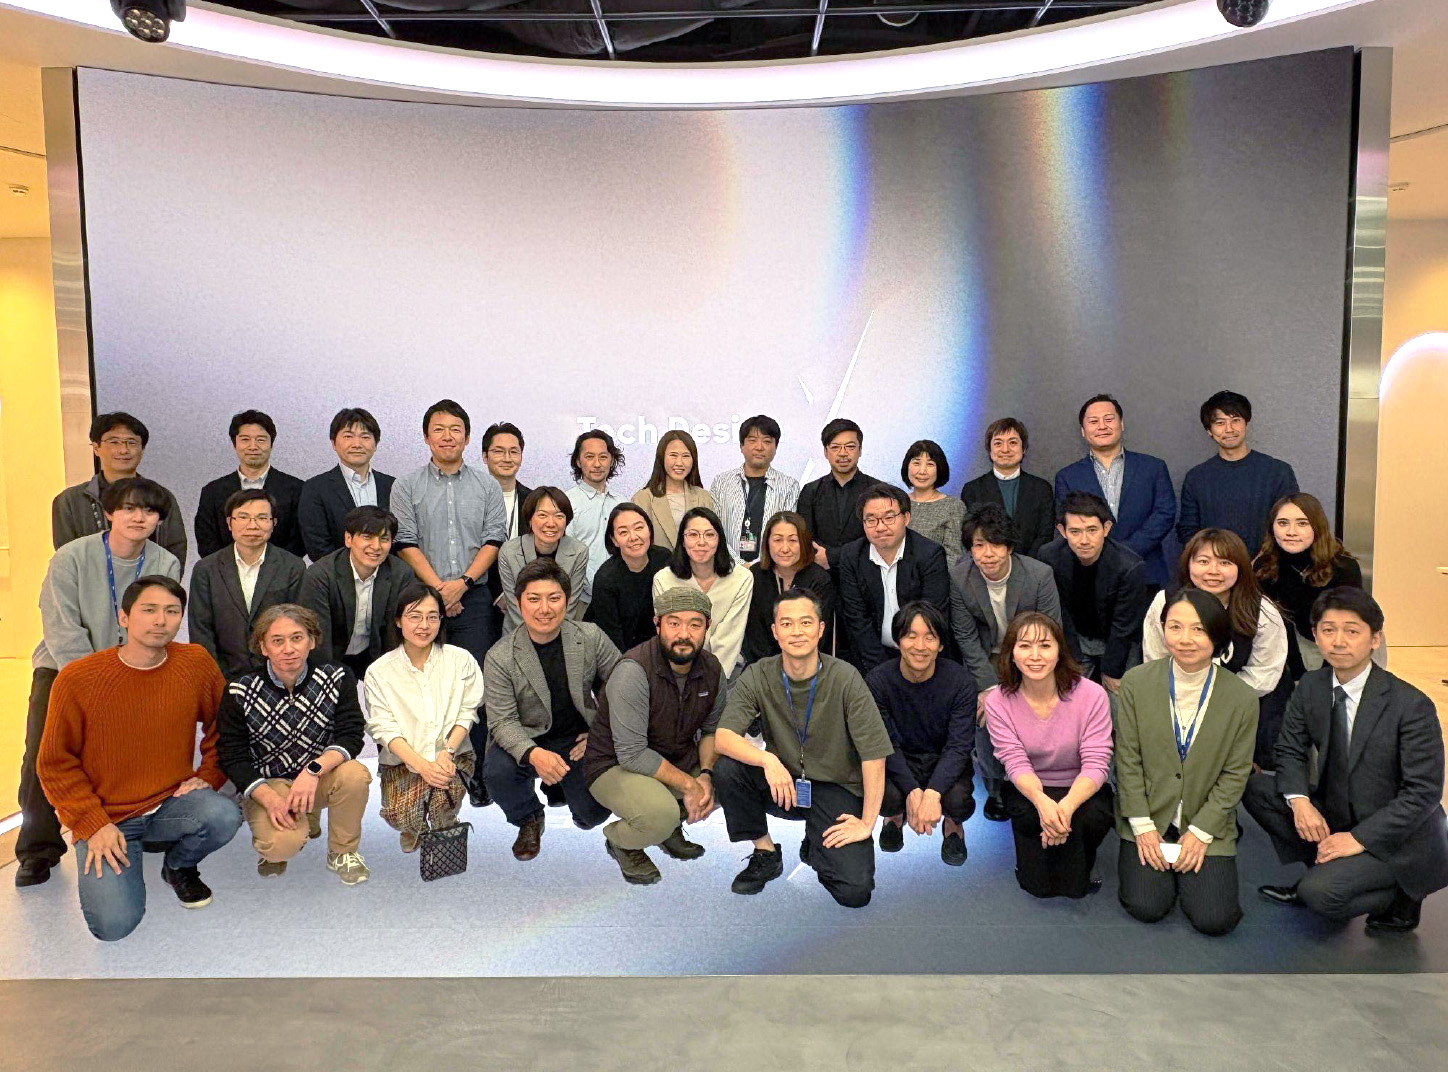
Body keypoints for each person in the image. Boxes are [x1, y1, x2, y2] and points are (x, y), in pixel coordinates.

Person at [36, 576, 241, 940]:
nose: (161, 620)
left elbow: (224, 727)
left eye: (172, 611)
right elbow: (54, 762)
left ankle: (177, 865)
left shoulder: (195, 662)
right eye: (149, 610)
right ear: (124, 617)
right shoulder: (77, 678)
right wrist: (92, 824)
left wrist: (208, 776)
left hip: (170, 803)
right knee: (113, 926)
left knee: (224, 814)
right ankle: (119, 852)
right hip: (108, 817)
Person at [1244, 588, 1448, 933]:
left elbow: (1423, 793)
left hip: (1400, 836)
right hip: (1340, 810)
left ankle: (1402, 895)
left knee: (1320, 896)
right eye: (1328, 630)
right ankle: (1327, 866)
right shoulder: (1311, 686)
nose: (1338, 641)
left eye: (1352, 631)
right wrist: (1300, 802)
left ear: (1374, 639)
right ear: (1316, 635)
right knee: (1258, 789)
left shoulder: (1411, 705)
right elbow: (1290, 750)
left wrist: (1358, 839)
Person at [15, 478, 183, 888]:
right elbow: (61, 625)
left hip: (133, 670)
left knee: (129, 753)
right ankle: (37, 849)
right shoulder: (72, 556)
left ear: (160, 520)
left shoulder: (164, 563)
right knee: (44, 754)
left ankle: (129, 832)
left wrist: (125, 675)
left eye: (149, 511)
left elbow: (157, 626)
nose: (138, 517)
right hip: (63, 669)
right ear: (109, 513)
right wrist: (93, 681)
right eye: (128, 508)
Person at [712, 587, 894, 907]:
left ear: (821, 629)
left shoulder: (846, 678)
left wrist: (867, 823)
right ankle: (765, 852)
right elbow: (723, 737)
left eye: (806, 622)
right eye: (787, 623)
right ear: (775, 632)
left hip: (835, 785)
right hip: (783, 782)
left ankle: (816, 845)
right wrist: (768, 761)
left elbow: (874, 755)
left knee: (854, 892)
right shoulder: (759, 674)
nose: (797, 631)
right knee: (728, 769)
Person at [1114, 589, 1258, 936]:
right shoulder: (1136, 682)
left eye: (1199, 629)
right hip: (1149, 816)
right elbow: (1127, 759)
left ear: (1217, 634)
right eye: (1175, 627)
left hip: (1204, 819)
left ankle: (1192, 862)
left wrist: (1201, 831)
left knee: (1215, 919)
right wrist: (1142, 826)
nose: (1185, 639)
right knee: (1147, 906)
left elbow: (1236, 773)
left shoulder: (1242, 697)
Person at [218, 604, 372, 884]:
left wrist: (313, 771)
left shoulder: (337, 677)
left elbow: (351, 734)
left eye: (297, 638)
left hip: (318, 777)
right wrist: (268, 798)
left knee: (355, 774)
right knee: (281, 846)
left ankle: (342, 852)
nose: (288, 649)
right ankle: (286, 833)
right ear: (263, 647)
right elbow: (232, 755)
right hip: (270, 784)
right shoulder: (239, 690)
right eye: (277, 641)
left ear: (311, 641)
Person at [584, 586, 723, 885]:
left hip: (674, 757)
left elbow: (712, 729)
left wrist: (706, 775)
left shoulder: (712, 668)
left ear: (707, 627)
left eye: (695, 624)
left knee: (733, 778)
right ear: (657, 623)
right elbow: (632, 754)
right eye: (674, 623)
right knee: (658, 815)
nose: (684, 634)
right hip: (614, 765)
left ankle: (669, 826)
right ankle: (621, 841)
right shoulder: (633, 670)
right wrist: (690, 784)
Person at [483, 560, 621, 860]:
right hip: (527, 736)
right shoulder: (500, 656)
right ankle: (529, 817)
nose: (544, 609)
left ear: (567, 601)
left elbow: (624, 687)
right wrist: (534, 754)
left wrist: (601, 733)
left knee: (593, 814)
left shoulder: (590, 636)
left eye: (554, 598)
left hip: (576, 738)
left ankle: (564, 791)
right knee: (496, 773)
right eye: (534, 599)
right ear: (518, 603)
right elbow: (502, 721)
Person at [984, 611, 1114, 899]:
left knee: (1075, 882)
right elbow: (1014, 761)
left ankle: (1082, 857)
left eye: (1045, 645)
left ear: (1059, 651)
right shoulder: (997, 701)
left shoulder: (1092, 695)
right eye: (1024, 646)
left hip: (1080, 787)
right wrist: (1043, 803)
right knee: (1037, 887)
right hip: (1030, 787)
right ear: (1011, 654)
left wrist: (1065, 808)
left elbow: (1096, 762)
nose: (1035, 656)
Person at [948, 503, 1062, 822]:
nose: (988, 554)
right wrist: (988, 689)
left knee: (1035, 711)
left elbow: (1051, 632)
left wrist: (1028, 679)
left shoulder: (1039, 575)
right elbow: (966, 637)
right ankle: (995, 787)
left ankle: (1037, 783)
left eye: (996, 544)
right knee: (985, 715)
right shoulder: (959, 577)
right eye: (979, 545)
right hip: (985, 660)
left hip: (1033, 657)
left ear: (1009, 546)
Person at [363, 583, 483, 854]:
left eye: (432, 617)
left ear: (441, 619)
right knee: (399, 815)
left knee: (442, 803)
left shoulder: (460, 660)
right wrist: (421, 765)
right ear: (398, 620)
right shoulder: (379, 671)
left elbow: (468, 712)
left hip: (451, 754)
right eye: (415, 616)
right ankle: (413, 825)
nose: (424, 625)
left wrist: (446, 753)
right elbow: (384, 728)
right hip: (403, 760)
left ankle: (444, 819)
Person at [391, 399, 508, 671]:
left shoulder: (488, 485)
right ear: (426, 437)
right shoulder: (405, 486)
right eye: (439, 429)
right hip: (421, 596)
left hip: (474, 598)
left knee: (474, 675)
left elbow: (493, 540)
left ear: (467, 438)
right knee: (422, 674)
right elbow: (405, 542)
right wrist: (440, 592)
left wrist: (462, 584)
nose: (447, 436)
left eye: (455, 430)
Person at [867, 602, 976, 866]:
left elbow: (959, 746)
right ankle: (895, 816)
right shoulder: (877, 681)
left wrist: (933, 793)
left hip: (943, 757)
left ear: (941, 645)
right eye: (911, 636)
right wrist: (913, 791)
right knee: (886, 797)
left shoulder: (961, 682)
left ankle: (953, 825)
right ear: (898, 642)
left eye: (930, 637)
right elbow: (884, 744)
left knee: (958, 801)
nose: (920, 646)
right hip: (899, 758)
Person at [1142, 529, 1288, 702]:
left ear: (1241, 567)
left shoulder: (1261, 609)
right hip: (1177, 698)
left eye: (1225, 563)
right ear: (1188, 564)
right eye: (1203, 561)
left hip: (1238, 701)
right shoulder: (1165, 601)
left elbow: (1265, 672)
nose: (1213, 571)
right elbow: (1155, 658)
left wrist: (1213, 696)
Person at [1053, 395, 1176, 588]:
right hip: (1090, 577)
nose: (1102, 426)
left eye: (1109, 419)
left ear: (1122, 424)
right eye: (1093, 421)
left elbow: (1164, 514)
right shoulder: (1067, 476)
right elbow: (1067, 523)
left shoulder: (1153, 468)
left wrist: (1125, 552)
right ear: (1083, 431)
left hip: (1146, 572)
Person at [1036, 491, 1151, 693]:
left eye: (1092, 530)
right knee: (1069, 697)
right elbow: (1059, 613)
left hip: (1118, 639)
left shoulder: (1129, 566)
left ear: (1106, 528)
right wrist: (1073, 659)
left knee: (1121, 700)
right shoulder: (1049, 556)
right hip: (1075, 637)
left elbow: (1124, 626)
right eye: (1075, 531)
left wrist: (1111, 670)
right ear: (1062, 531)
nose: (1084, 540)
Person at [188, 489, 306, 680]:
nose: (252, 525)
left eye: (262, 518)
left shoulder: (293, 566)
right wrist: (217, 677)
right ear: (229, 523)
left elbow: (297, 624)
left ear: (273, 523)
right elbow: (201, 631)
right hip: (222, 676)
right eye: (243, 517)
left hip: (277, 675)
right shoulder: (206, 569)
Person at [835, 483, 950, 675]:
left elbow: (932, 616)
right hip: (870, 659)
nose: (880, 527)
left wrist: (909, 666)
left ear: (906, 518)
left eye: (889, 518)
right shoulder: (851, 555)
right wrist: (883, 672)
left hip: (921, 656)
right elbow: (857, 619)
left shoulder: (929, 555)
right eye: (871, 520)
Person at [51, 411, 187, 568]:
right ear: (96, 448)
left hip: (150, 581)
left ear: (142, 449)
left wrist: (161, 582)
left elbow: (176, 550)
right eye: (114, 442)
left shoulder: (162, 496)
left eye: (132, 442)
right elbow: (67, 557)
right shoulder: (70, 500)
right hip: (90, 582)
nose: (123, 450)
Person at [299, 505, 416, 680]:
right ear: (348, 539)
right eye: (367, 537)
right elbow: (317, 635)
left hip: (374, 655)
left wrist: (390, 675)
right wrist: (327, 679)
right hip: (332, 655)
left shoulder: (400, 573)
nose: (376, 546)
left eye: (384, 539)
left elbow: (394, 632)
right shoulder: (321, 575)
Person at [1177, 391, 1299, 550]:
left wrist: (1264, 559)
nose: (1229, 429)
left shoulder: (1278, 471)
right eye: (1220, 423)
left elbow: (1290, 523)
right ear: (1209, 430)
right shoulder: (1196, 478)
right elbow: (1188, 530)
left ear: (1246, 423)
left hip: (1268, 562)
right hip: (1215, 563)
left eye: (1235, 420)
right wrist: (1216, 559)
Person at [652, 507, 754, 680]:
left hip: (725, 671)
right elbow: (670, 634)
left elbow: (729, 637)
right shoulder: (663, 579)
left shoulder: (742, 578)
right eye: (693, 535)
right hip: (677, 668)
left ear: (719, 540)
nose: (701, 542)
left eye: (709, 535)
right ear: (682, 540)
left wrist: (712, 682)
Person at [194, 409, 306, 558]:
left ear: (271, 444)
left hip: (282, 570)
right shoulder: (212, 491)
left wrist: (276, 567)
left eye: (261, 440)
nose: (253, 446)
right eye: (245, 439)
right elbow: (206, 540)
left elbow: (300, 540)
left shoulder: (297, 489)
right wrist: (231, 567)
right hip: (224, 570)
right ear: (234, 444)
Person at [297, 407, 395, 562]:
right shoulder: (315, 488)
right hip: (335, 574)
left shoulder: (393, 486)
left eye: (365, 437)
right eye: (348, 436)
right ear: (334, 443)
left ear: (376, 444)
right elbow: (317, 547)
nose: (357, 444)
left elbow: (400, 540)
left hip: (389, 575)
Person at [742, 511, 835, 665]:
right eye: (778, 540)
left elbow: (819, 636)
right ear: (767, 543)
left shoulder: (819, 579)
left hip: (808, 664)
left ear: (803, 543)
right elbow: (754, 636)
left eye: (793, 540)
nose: (785, 548)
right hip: (763, 665)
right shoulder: (756, 575)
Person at [496, 486, 591, 633]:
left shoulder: (579, 552)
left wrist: (551, 638)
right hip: (518, 632)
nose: (551, 523)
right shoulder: (509, 552)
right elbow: (515, 607)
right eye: (542, 515)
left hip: (561, 632)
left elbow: (569, 606)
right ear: (530, 519)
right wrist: (538, 637)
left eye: (559, 516)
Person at [708, 414, 800, 565]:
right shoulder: (721, 482)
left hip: (770, 568)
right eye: (752, 440)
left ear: (776, 447)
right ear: (741, 445)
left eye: (767, 441)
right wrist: (738, 564)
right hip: (727, 568)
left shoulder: (789, 486)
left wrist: (758, 566)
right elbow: (713, 529)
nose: (759, 447)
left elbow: (788, 534)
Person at [795, 418, 883, 569]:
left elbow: (880, 537)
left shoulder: (878, 490)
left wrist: (832, 556)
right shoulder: (810, 491)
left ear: (860, 450)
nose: (843, 453)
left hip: (865, 571)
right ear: (825, 452)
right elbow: (805, 536)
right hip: (820, 572)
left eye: (850, 447)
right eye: (835, 447)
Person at [960, 418, 1055, 558]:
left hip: (1034, 565)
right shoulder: (972, 490)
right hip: (989, 563)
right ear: (989, 449)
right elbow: (972, 536)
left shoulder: (1042, 488)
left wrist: (1028, 564)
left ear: (1023, 448)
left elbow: (1045, 534)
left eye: (1013, 443)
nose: (1005, 449)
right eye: (998, 443)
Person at [587, 503, 671, 654]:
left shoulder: (664, 559)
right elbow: (611, 640)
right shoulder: (606, 578)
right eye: (623, 532)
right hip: (620, 653)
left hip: (658, 649)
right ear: (614, 540)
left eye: (639, 528)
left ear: (649, 529)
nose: (633, 537)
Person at [481, 421, 534, 626]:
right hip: (481, 597)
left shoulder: (534, 501)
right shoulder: (470, 498)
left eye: (513, 452)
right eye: (498, 451)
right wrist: (498, 594)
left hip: (526, 602)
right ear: (485, 457)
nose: (507, 458)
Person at [630, 429, 715, 552]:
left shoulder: (703, 497)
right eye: (673, 455)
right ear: (662, 458)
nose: (679, 463)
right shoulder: (642, 499)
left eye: (686, 456)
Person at [566, 428, 627, 598]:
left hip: (620, 596)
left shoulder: (623, 503)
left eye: (603, 457)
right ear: (578, 461)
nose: (597, 464)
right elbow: (567, 555)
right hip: (580, 599)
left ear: (611, 460)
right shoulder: (567, 503)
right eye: (589, 457)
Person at [901, 439, 966, 566]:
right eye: (916, 463)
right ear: (907, 466)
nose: (922, 471)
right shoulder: (897, 503)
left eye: (930, 464)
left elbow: (954, 557)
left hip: (935, 576)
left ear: (939, 469)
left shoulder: (952, 506)